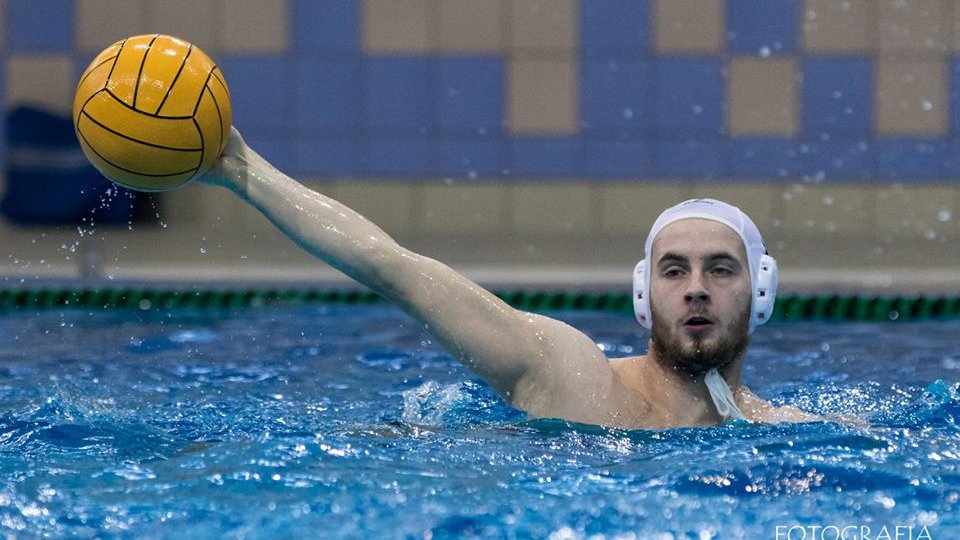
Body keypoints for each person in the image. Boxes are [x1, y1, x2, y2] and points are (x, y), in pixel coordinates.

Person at [200, 128, 818, 429]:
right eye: (674, 269)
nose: (696, 288)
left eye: (721, 269)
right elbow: (392, 269)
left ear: (760, 292)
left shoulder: (788, 433)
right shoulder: (570, 376)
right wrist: (245, 171)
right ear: (644, 292)